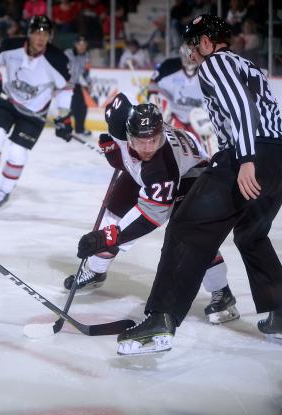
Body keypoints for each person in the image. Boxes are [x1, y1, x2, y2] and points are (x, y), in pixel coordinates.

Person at [116, 15, 282, 355]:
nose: (192, 51)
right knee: (251, 234)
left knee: (184, 227)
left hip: (248, 155)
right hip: (278, 158)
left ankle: (161, 318)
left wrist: (247, 159)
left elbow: (243, 108)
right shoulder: (245, 64)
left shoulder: (215, 63)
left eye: (194, 43)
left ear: (207, 41)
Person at [67, 93, 239, 325]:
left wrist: (107, 237)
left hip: (191, 173)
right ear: (128, 135)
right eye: (141, 141)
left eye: (153, 141)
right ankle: (96, 271)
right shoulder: (121, 119)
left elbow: (148, 217)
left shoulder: (161, 168)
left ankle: (223, 292)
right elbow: (115, 105)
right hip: (142, 170)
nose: (148, 148)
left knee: (190, 236)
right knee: (113, 213)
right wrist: (113, 147)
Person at [0, 15, 71, 210]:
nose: (41, 38)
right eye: (37, 32)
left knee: (17, 154)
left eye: (45, 34)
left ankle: (5, 191)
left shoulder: (57, 59)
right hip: (7, 102)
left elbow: (65, 89)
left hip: (34, 113)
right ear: (29, 33)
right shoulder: (11, 46)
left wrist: (65, 117)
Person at [147, 43, 217, 155]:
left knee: (210, 135)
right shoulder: (170, 76)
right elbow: (154, 94)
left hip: (200, 122)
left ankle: (212, 162)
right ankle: (158, 151)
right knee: (156, 101)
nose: (190, 60)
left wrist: (207, 118)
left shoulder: (208, 76)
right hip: (176, 122)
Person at [64, 36, 92, 137]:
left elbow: (87, 72)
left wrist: (89, 84)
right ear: (75, 44)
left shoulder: (87, 56)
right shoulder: (68, 53)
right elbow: (63, 67)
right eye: (80, 44)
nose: (82, 46)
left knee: (83, 107)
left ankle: (80, 129)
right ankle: (65, 127)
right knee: (71, 108)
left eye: (84, 44)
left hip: (81, 86)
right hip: (69, 85)